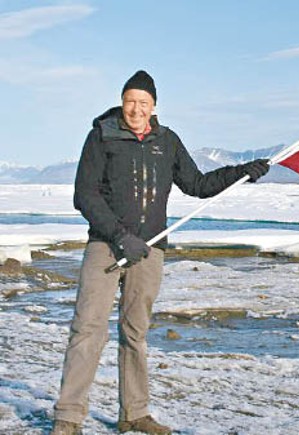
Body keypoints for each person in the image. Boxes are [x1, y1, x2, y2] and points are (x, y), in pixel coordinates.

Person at [51, 70, 269, 435]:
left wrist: (241, 172)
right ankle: (68, 417)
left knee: (135, 332)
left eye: (144, 103)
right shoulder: (101, 137)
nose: (136, 109)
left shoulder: (167, 141)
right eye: (130, 101)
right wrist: (120, 236)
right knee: (87, 329)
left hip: (150, 250)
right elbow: (84, 195)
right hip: (106, 246)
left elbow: (197, 185)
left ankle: (133, 413)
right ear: (122, 102)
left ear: (154, 107)